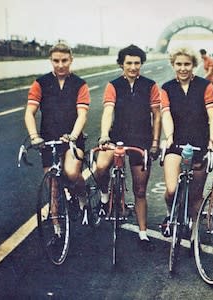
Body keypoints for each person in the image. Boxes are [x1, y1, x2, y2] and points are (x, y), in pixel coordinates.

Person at [94, 45, 161, 251]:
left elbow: (157, 115)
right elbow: (108, 111)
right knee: (100, 168)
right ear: (121, 64)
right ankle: (105, 196)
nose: (133, 67)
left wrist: (155, 142)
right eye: (129, 63)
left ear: (141, 64)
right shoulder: (113, 85)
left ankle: (143, 234)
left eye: (137, 63)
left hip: (142, 139)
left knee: (140, 190)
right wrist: (105, 135)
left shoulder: (150, 85)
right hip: (117, 137)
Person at [25, 43, 90, 225]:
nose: (60, 65)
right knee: (52, 186)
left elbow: (82, 115)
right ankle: (57, 231)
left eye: (64, 60)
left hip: (72, 139)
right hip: (48, 140)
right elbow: (30, 112)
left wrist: (73, 136)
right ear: (50, 61)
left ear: (71, 60)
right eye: (56, 61)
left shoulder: (80, 84)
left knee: (71, 173)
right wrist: (34, 136)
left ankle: (82, 197)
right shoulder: (40, 83)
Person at [160, 48, 213, 246]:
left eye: (187, 64)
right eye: (179, 64)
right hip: (176, 143)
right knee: (171, 189)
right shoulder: (167, 87)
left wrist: (211, 142)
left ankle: (195, 229)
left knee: (195, 195)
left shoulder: (205, 86)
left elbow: (212, 116)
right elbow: (166, 114)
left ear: (194, 65)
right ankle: (170, 214)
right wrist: (169, 137)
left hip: (199, 144)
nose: (183, 68)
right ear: (173, 65)